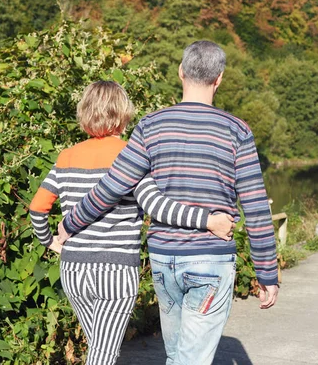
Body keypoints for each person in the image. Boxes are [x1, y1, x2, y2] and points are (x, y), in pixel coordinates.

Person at [59, 41, 279, 365]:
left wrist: (70, 223)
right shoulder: (237, 131)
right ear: (219, 79)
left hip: (164, 260)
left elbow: (113, 186)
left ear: (181, 73)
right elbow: (257, 207)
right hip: (211, 261)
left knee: (177, 356)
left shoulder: (151, 125)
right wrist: (267, 273)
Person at [29, 80, 235, 365]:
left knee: (99, 350)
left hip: (73, 270)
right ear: (123, 114)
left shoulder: (66, 156)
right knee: (104, 355)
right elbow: (157, 206)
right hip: (114, 271)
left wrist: (50, 241)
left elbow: (37, 208)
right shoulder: (132, 156)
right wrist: (208, 221)